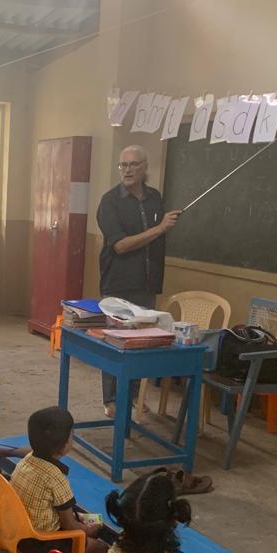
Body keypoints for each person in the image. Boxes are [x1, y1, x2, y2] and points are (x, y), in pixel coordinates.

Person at [96, 146, 180, 413]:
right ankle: (111, 400)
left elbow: (157, 238)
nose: (127, 170)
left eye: (133, 165)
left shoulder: (155, 198)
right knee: (116, 342)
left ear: (145, 167)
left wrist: (160, 228)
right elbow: (120, 245)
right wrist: (159, 228)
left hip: (147, 282)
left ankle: (132, 396)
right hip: (119, 283)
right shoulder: (110, 201)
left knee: (141, 343)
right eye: (123, 165)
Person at [10, 406, 109, 553]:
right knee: (100, 544)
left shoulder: (26, 461)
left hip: (17, 531)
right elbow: (69, 525)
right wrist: (90, 530)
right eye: (71, 434)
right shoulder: (56, 479)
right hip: (42, 543)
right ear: (64, 446)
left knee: (86, 522)